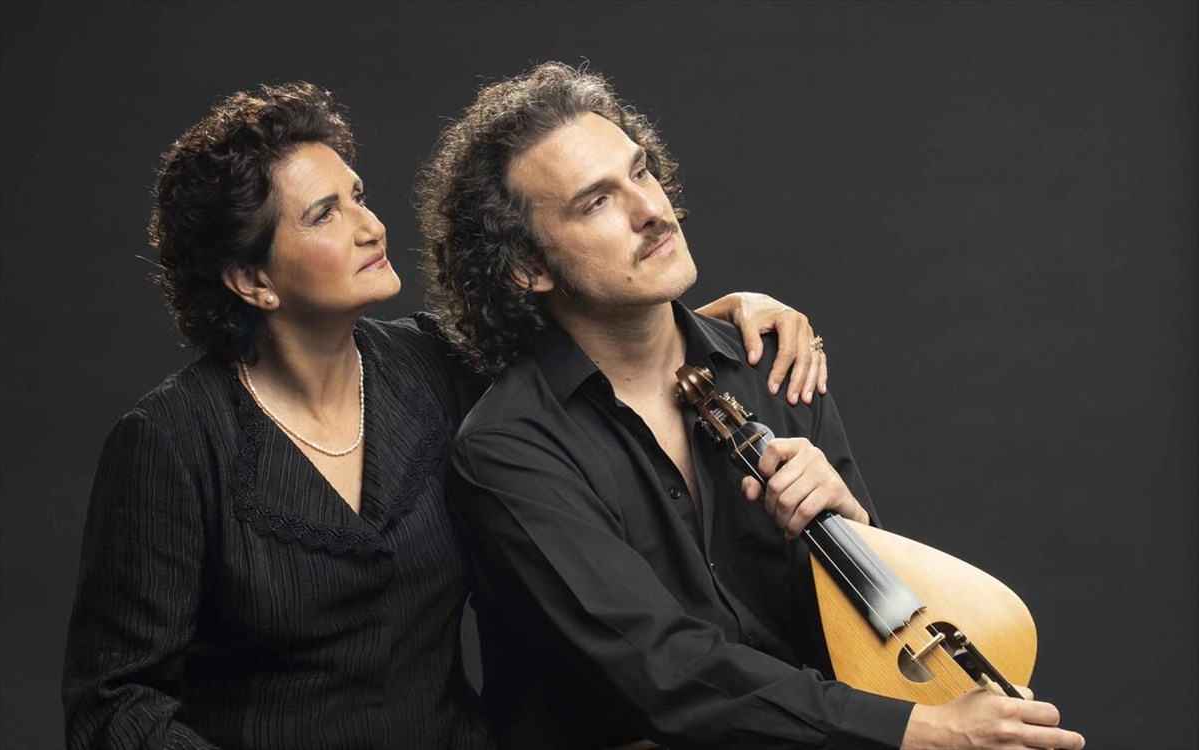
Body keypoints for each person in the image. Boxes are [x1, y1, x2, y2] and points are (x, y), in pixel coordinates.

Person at [61, 81, 827, 749]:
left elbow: (598, 328)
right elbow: (115, 704)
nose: (370, 225)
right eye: (324, 215)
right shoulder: (171, 441)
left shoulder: (437, 367)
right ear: (251, 280)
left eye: (358, 195)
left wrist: (729, 317)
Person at [419, 62, 1087, 750]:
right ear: (527, 267)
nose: (650, 211)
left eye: (641, 172)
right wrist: (924, 731)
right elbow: (661, 670)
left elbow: (877, 638)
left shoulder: (772, 364)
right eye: (596, 202)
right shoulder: (510, 448)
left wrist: (852, 530)